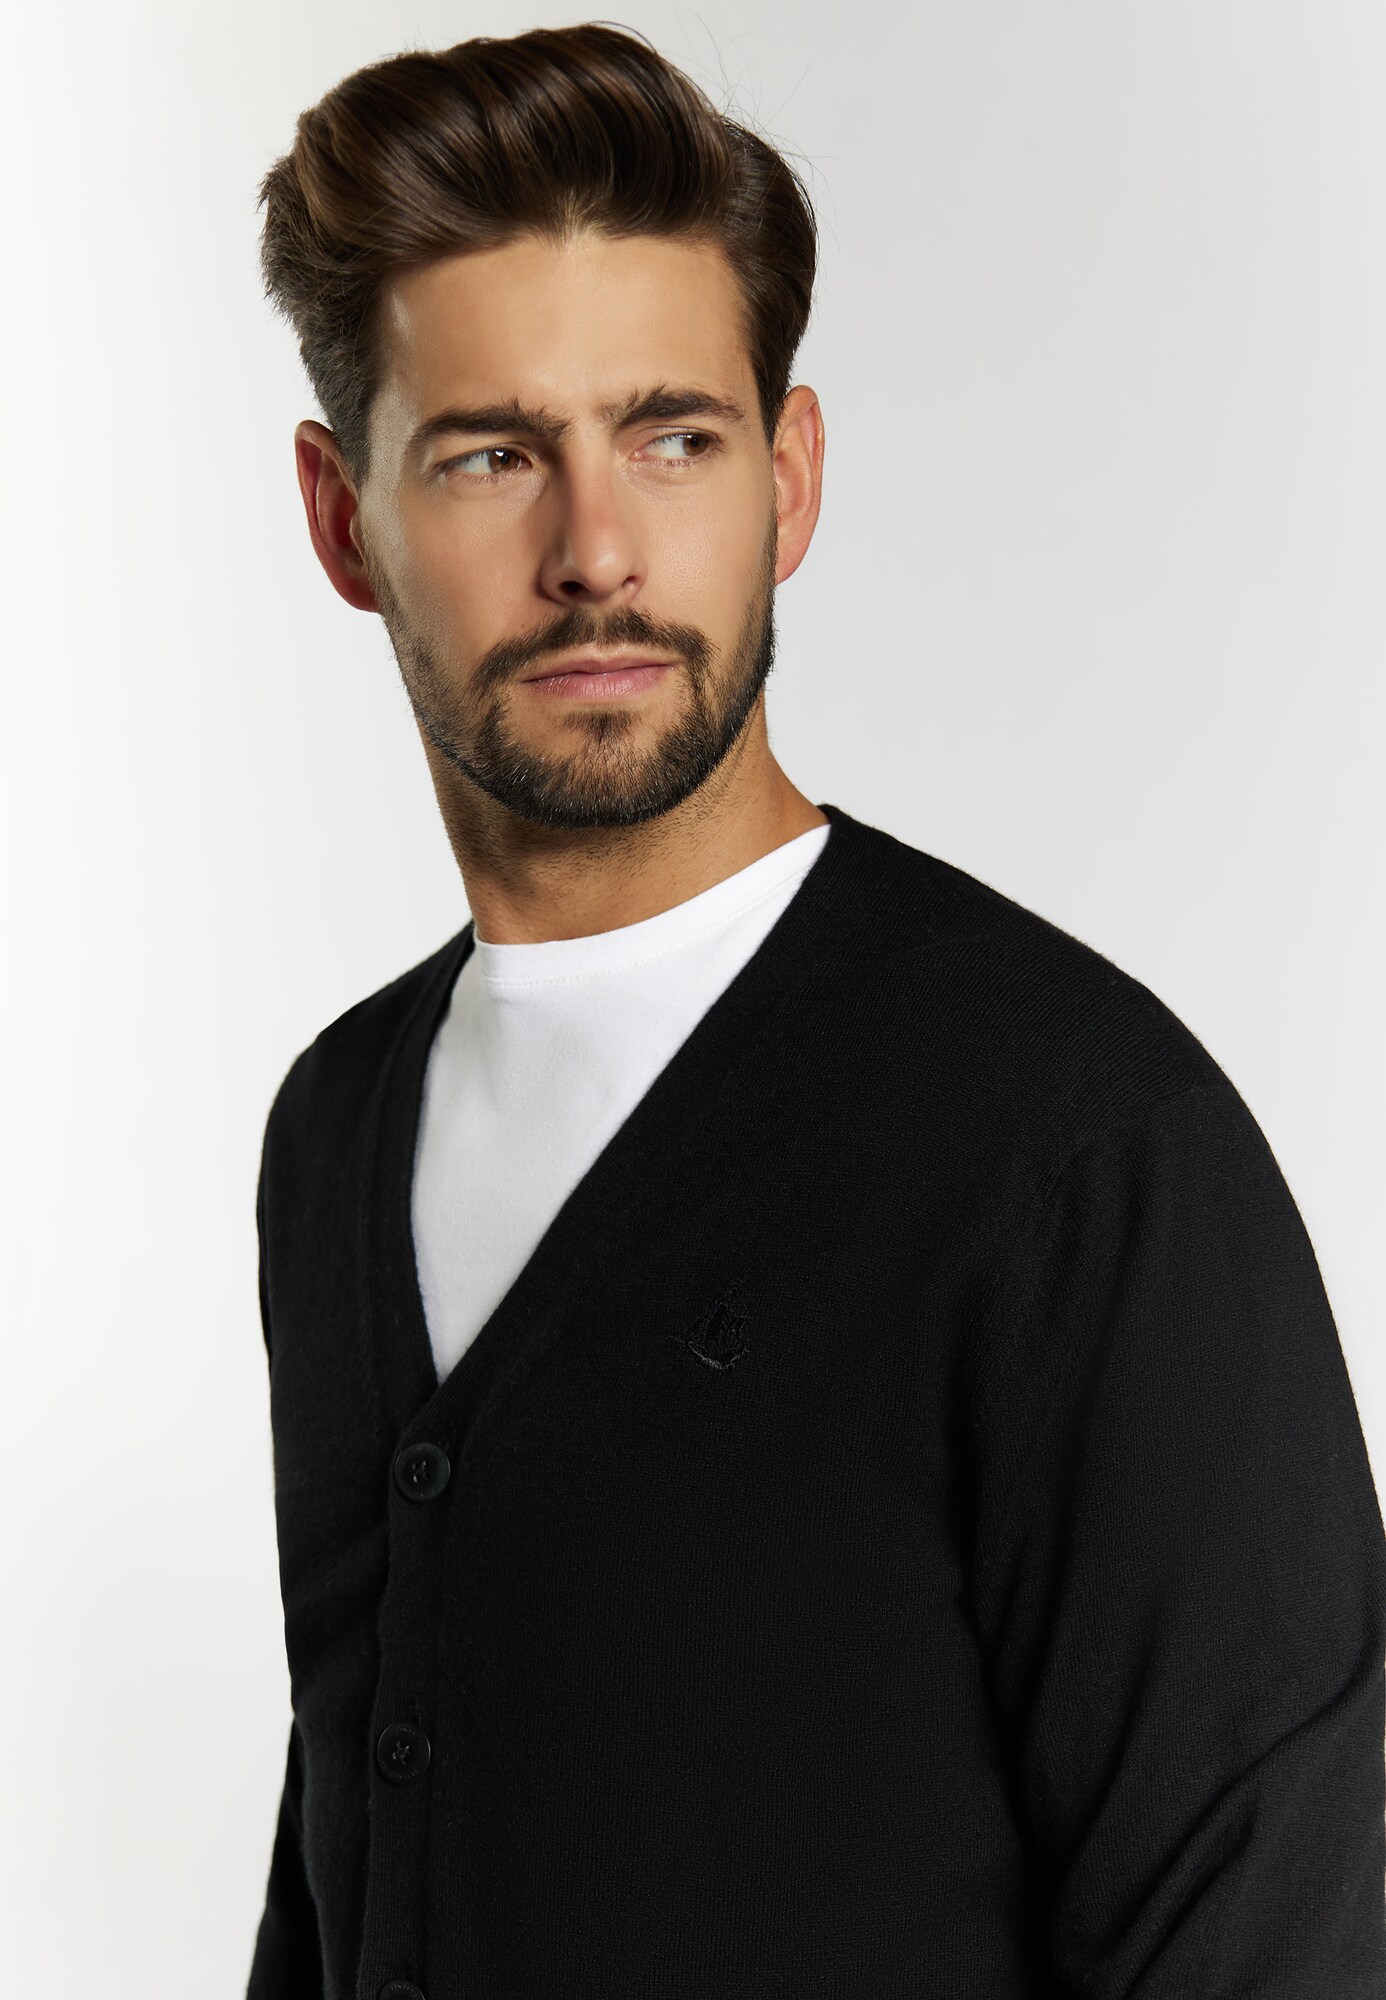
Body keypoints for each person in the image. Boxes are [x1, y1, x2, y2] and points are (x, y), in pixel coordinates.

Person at [248, 23, 1386, 2000]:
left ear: (788, 482)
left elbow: (1276, 1943)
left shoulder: (1071, 1147)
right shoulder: (338, 1127)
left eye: (672, 438)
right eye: (493, 453)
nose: (595, 552)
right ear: (347, 519)